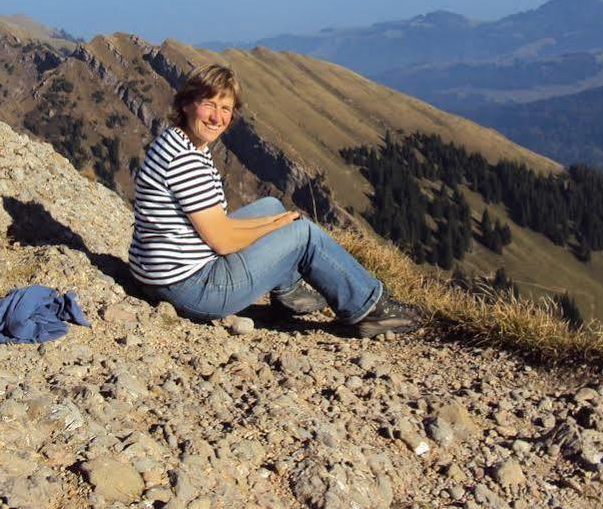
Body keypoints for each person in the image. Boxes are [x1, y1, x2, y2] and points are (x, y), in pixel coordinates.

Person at [129, 63, 420, 338]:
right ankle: (371, 308)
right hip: (192, 288)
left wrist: (275, 220)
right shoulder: (185, 160)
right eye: (209, 104)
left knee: (272, 207)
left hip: (162, 274)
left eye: (226, 108)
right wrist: (278, 228)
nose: (217, 117)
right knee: (303, 234)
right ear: (186, 103)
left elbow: (218, 228)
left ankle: (289, 293)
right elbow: (223, 241)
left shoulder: (176, 141)